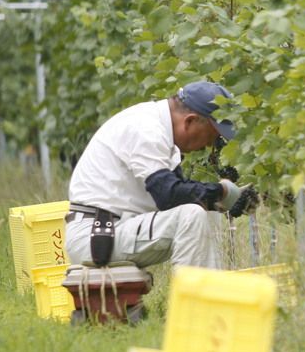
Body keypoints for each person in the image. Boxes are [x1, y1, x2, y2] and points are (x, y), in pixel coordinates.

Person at [64, 81, 245, 270]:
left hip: (113, 228)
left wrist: (227, 200)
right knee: (191, 215)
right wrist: (221, 192)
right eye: (211, 135)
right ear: (189, 121)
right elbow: (169, 196)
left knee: (204, 213)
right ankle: (194, 298)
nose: (210, 145)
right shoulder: (146, 129)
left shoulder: (160, 132)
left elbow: (181, 194)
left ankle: (208, 294)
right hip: (97, 235)